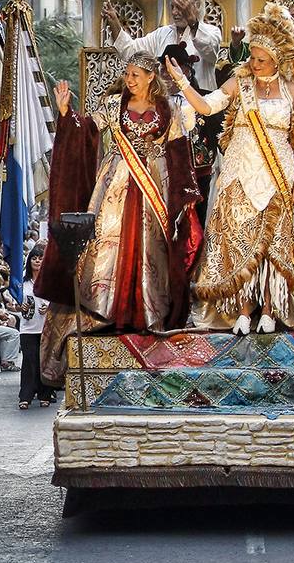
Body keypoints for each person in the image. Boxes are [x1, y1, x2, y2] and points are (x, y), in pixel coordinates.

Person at [169, 1, 294, 334]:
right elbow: (206, 106)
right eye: (253, 56)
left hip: (278, 170)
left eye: (261, 59)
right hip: (239, 170)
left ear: (277, 59)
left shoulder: (293, 91)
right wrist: (183, 84)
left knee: (274, 241)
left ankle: (270, 311)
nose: (255, 63)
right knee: (237, 238)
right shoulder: (239, 84)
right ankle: (242, 311)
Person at [41, 53, 203, 332]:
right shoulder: (114, 105)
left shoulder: (168, 109)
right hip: (117, 179)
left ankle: (149, 311)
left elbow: (178, 151)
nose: (128, 80)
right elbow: (88, 129)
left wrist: (184, 194)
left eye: (135, 75)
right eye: (127, 74)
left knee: (150, 244)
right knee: (108, 237)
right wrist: (67, 114)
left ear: (151, 77)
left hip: (154, 183)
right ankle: (107, 307)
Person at [105, 0, 228, 91]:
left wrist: (192, 20)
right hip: (167, 107)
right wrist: (115, 23)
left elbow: (209, 50)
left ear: (196, 6)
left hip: (200, 106)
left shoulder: (211, 32)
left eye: (180, 7)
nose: (174, 12)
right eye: (173, 7)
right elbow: (130, 51)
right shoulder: (162, 34)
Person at [17, 248, 53, 409]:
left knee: (44, 361)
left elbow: (57, 301)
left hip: (45, 326)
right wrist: (21, 307)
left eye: (40, 258)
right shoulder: (22, 283)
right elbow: (15, 304)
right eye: (34, 258)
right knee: (29, 361)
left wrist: (49, 308)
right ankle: (25, 395)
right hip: (28, 327)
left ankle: (45, 393)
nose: (37, 261)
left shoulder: (50, 281)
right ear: (29, 261)